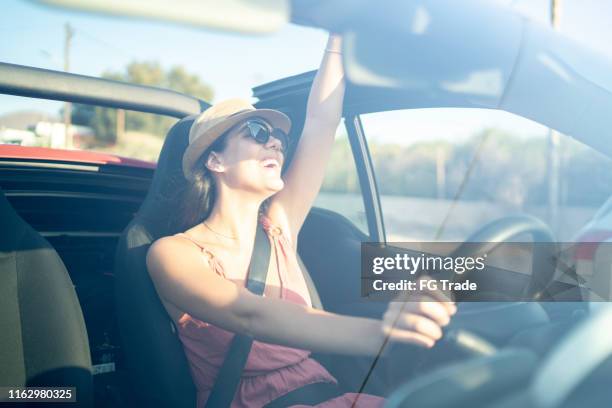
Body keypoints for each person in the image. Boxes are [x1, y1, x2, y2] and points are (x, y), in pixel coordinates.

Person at [146, 33, 456, 408]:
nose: (275, 142)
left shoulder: (278, 226)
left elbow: (323, 120)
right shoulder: (172, 253)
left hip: (332, 396)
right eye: (257, 133)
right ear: (215, 161)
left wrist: (339, 35)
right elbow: (249, 314)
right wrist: (383, 335)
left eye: (277, 137)